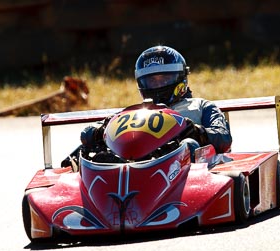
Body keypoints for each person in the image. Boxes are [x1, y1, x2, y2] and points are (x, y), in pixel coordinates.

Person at [62, 45, 232, 168]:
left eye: (164, 79)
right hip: (138, 164)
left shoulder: (201, 106)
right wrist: (101, 130)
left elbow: (224, 139)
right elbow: (88, 135)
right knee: (98, 154)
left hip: (186, 169)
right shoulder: (136, 113)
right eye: (151, 81)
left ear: (181, 78)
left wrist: (197, 131)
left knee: (188, 145)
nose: (158, 85)